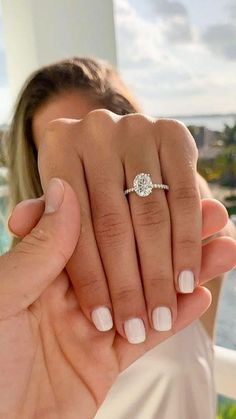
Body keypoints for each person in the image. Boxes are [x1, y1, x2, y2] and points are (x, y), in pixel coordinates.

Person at [4, 56, 236, 418]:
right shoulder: (30, 310)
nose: (82, 157)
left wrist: (176, 178)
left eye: (96, 136)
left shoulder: (185, 245)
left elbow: (208, 211)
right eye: (53, 149)